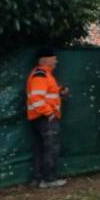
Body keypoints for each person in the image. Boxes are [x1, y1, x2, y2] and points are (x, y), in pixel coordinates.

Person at [26, 47, 69, 188]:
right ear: (45, 60)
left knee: (41, 149)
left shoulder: (44, 75)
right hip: (45, 118)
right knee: (51, 148)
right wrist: (49, 113)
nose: (56, 60)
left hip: (38, 118)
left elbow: (47, 93)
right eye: (54, 57)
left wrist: (60, 92)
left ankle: (39, 179)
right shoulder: (41, 75)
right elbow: (36, 97)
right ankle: (49, 179)